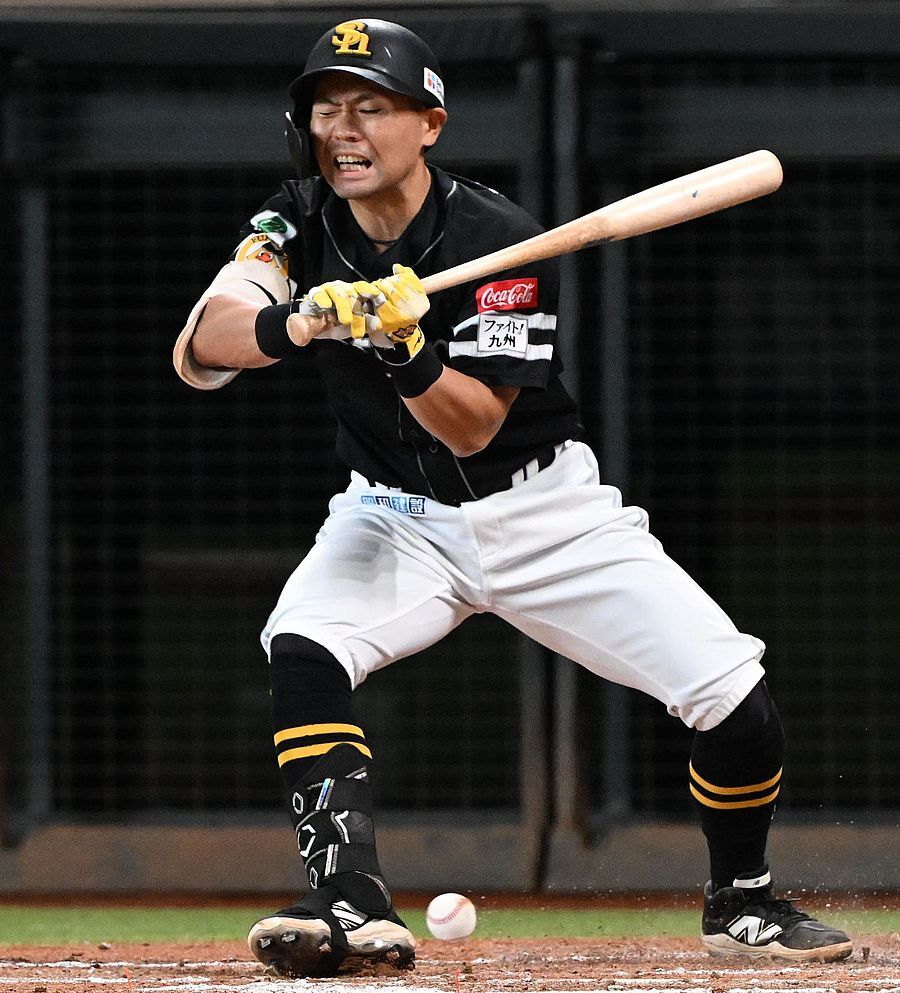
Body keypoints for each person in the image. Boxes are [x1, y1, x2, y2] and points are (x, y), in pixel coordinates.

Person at [174, 17, 852, 979]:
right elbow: (206, 342)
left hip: (545, 515)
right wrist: (303, 318)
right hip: (392, 516)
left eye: (371, 107)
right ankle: (349, 898)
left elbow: (473, 427)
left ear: (430, 125)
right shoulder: (296, 220)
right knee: (306, 645)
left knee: (735, 700)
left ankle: (741, 898)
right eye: (326, 108)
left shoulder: (503, 243)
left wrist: (405, 348)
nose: (344, 128)